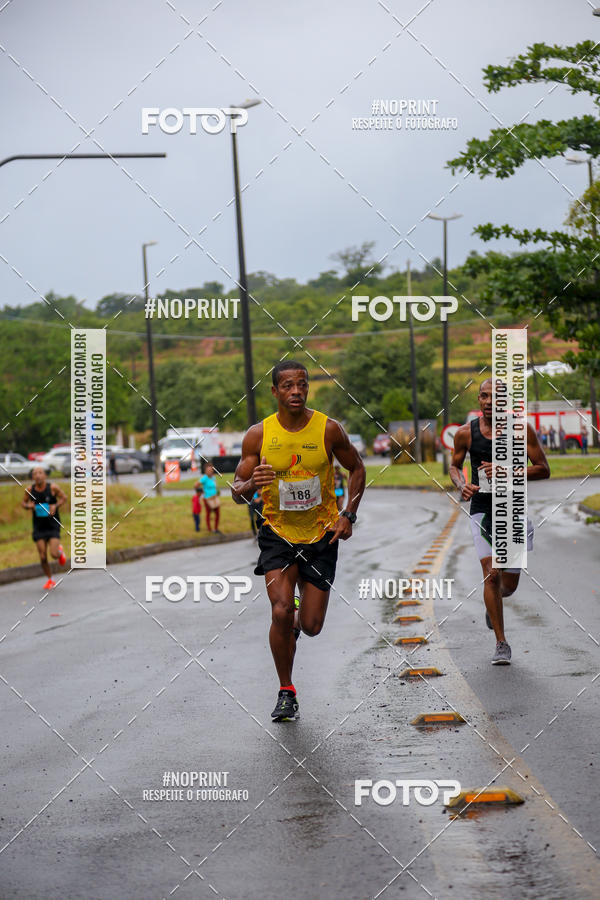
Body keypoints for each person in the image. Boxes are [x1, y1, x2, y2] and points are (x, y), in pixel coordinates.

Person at [231, 360, 366, 721]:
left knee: (310, 626)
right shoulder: (258, 436)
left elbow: (357, 468)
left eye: (301, 385)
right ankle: (286, 690)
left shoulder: (329, 429)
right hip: (277, 533)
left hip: (321, 534)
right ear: (274, 391)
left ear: (307, 388)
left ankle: (296, 613)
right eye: (287, 386)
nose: (296, 391)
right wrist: (249, 485)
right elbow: (236, 492)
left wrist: (348, 514)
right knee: (280, 610)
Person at [450, 379, 550, 665]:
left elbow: (544, 469)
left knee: (508, 584)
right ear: (478, 399)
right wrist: (461, 485)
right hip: (482, 509)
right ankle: (501, 642)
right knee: (491, 573)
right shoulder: (464, 434)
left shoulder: (521, 430)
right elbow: (455, 466)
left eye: (496, 397)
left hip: (513, 509)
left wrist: (508, 470)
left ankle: (494, 604)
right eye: (484, 396)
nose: (489, 402)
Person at [22, 466, 68, 590]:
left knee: (53, 554)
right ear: (32, 477)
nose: (37, 475)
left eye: (40, 473)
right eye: (35, 473)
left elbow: (64, 498)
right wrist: (29, 506)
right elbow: (23, 503)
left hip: (52, 525)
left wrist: (55, 506)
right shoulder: (30, 490)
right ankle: (50, 579)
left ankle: (60, 552)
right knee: (42, 556)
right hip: (39, 526)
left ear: (45, 476)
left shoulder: (53, 488)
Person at [200, 463, 221, 534]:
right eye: (208, 470)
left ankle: (216, 528)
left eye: (211, 470)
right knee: (208, 514)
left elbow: (214, 486)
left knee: (217, 513)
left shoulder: (213, 478)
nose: (210, 471)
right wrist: (202, 492)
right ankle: (209, 529)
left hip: (214, 498)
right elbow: (196, 485)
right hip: (207, 498)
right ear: (205, 471)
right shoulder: (204, 478)